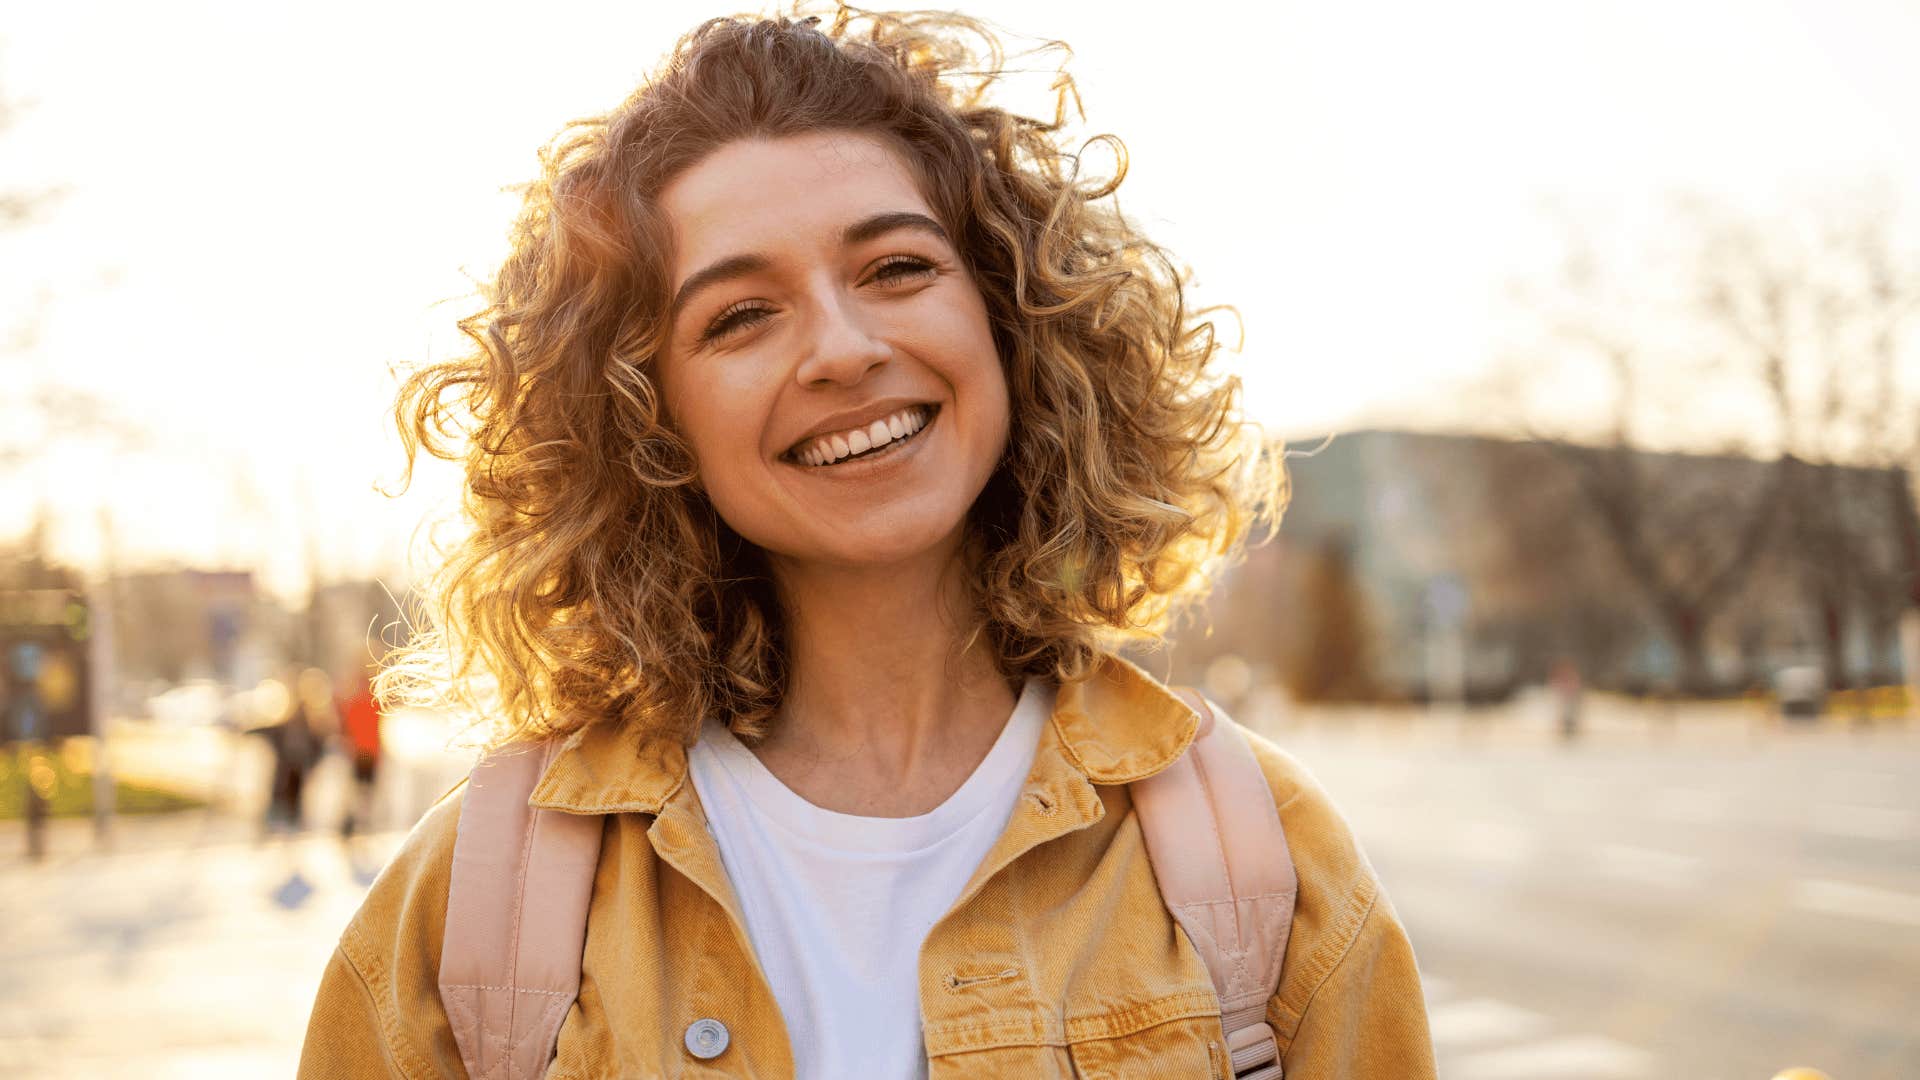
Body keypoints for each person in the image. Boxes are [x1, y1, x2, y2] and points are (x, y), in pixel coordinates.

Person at [299, 9, 1434, 1078]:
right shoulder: (476, 909)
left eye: (897, 268)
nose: (842, 350)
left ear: (1007, 313)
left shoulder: (1265, 864)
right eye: (741, 315)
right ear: (647, 422)